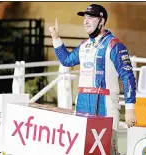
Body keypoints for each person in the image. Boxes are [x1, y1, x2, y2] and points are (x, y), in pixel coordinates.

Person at [49, 4, 137, 155]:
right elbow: (67, 60)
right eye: (84, 18)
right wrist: (56, 39)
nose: (86, 21)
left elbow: (128, 76)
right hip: (82, 102)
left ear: (102, 21)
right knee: (81, 148)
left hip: (106, 104)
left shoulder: (115, 45)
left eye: (90, 18)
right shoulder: (84, 45)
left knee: (108, 149)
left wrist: (130, 109)